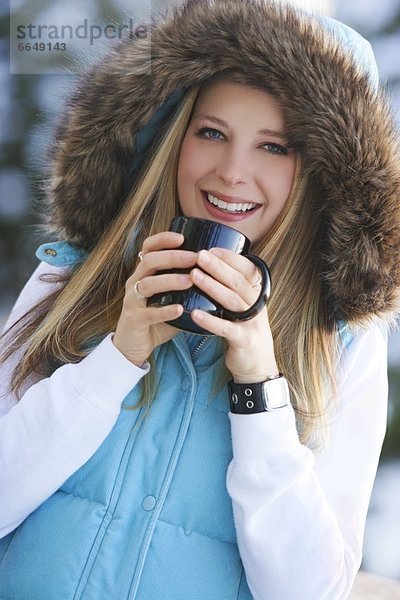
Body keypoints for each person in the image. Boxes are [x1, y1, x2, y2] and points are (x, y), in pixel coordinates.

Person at [1, 0, 400, 598]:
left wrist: (259, 386)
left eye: (275, 147)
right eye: (212, 133)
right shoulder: (74, 281)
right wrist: (115, 358)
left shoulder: (339, 344)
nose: (232, 172)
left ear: (321, 168)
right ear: (171, 138)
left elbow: (310, 590)